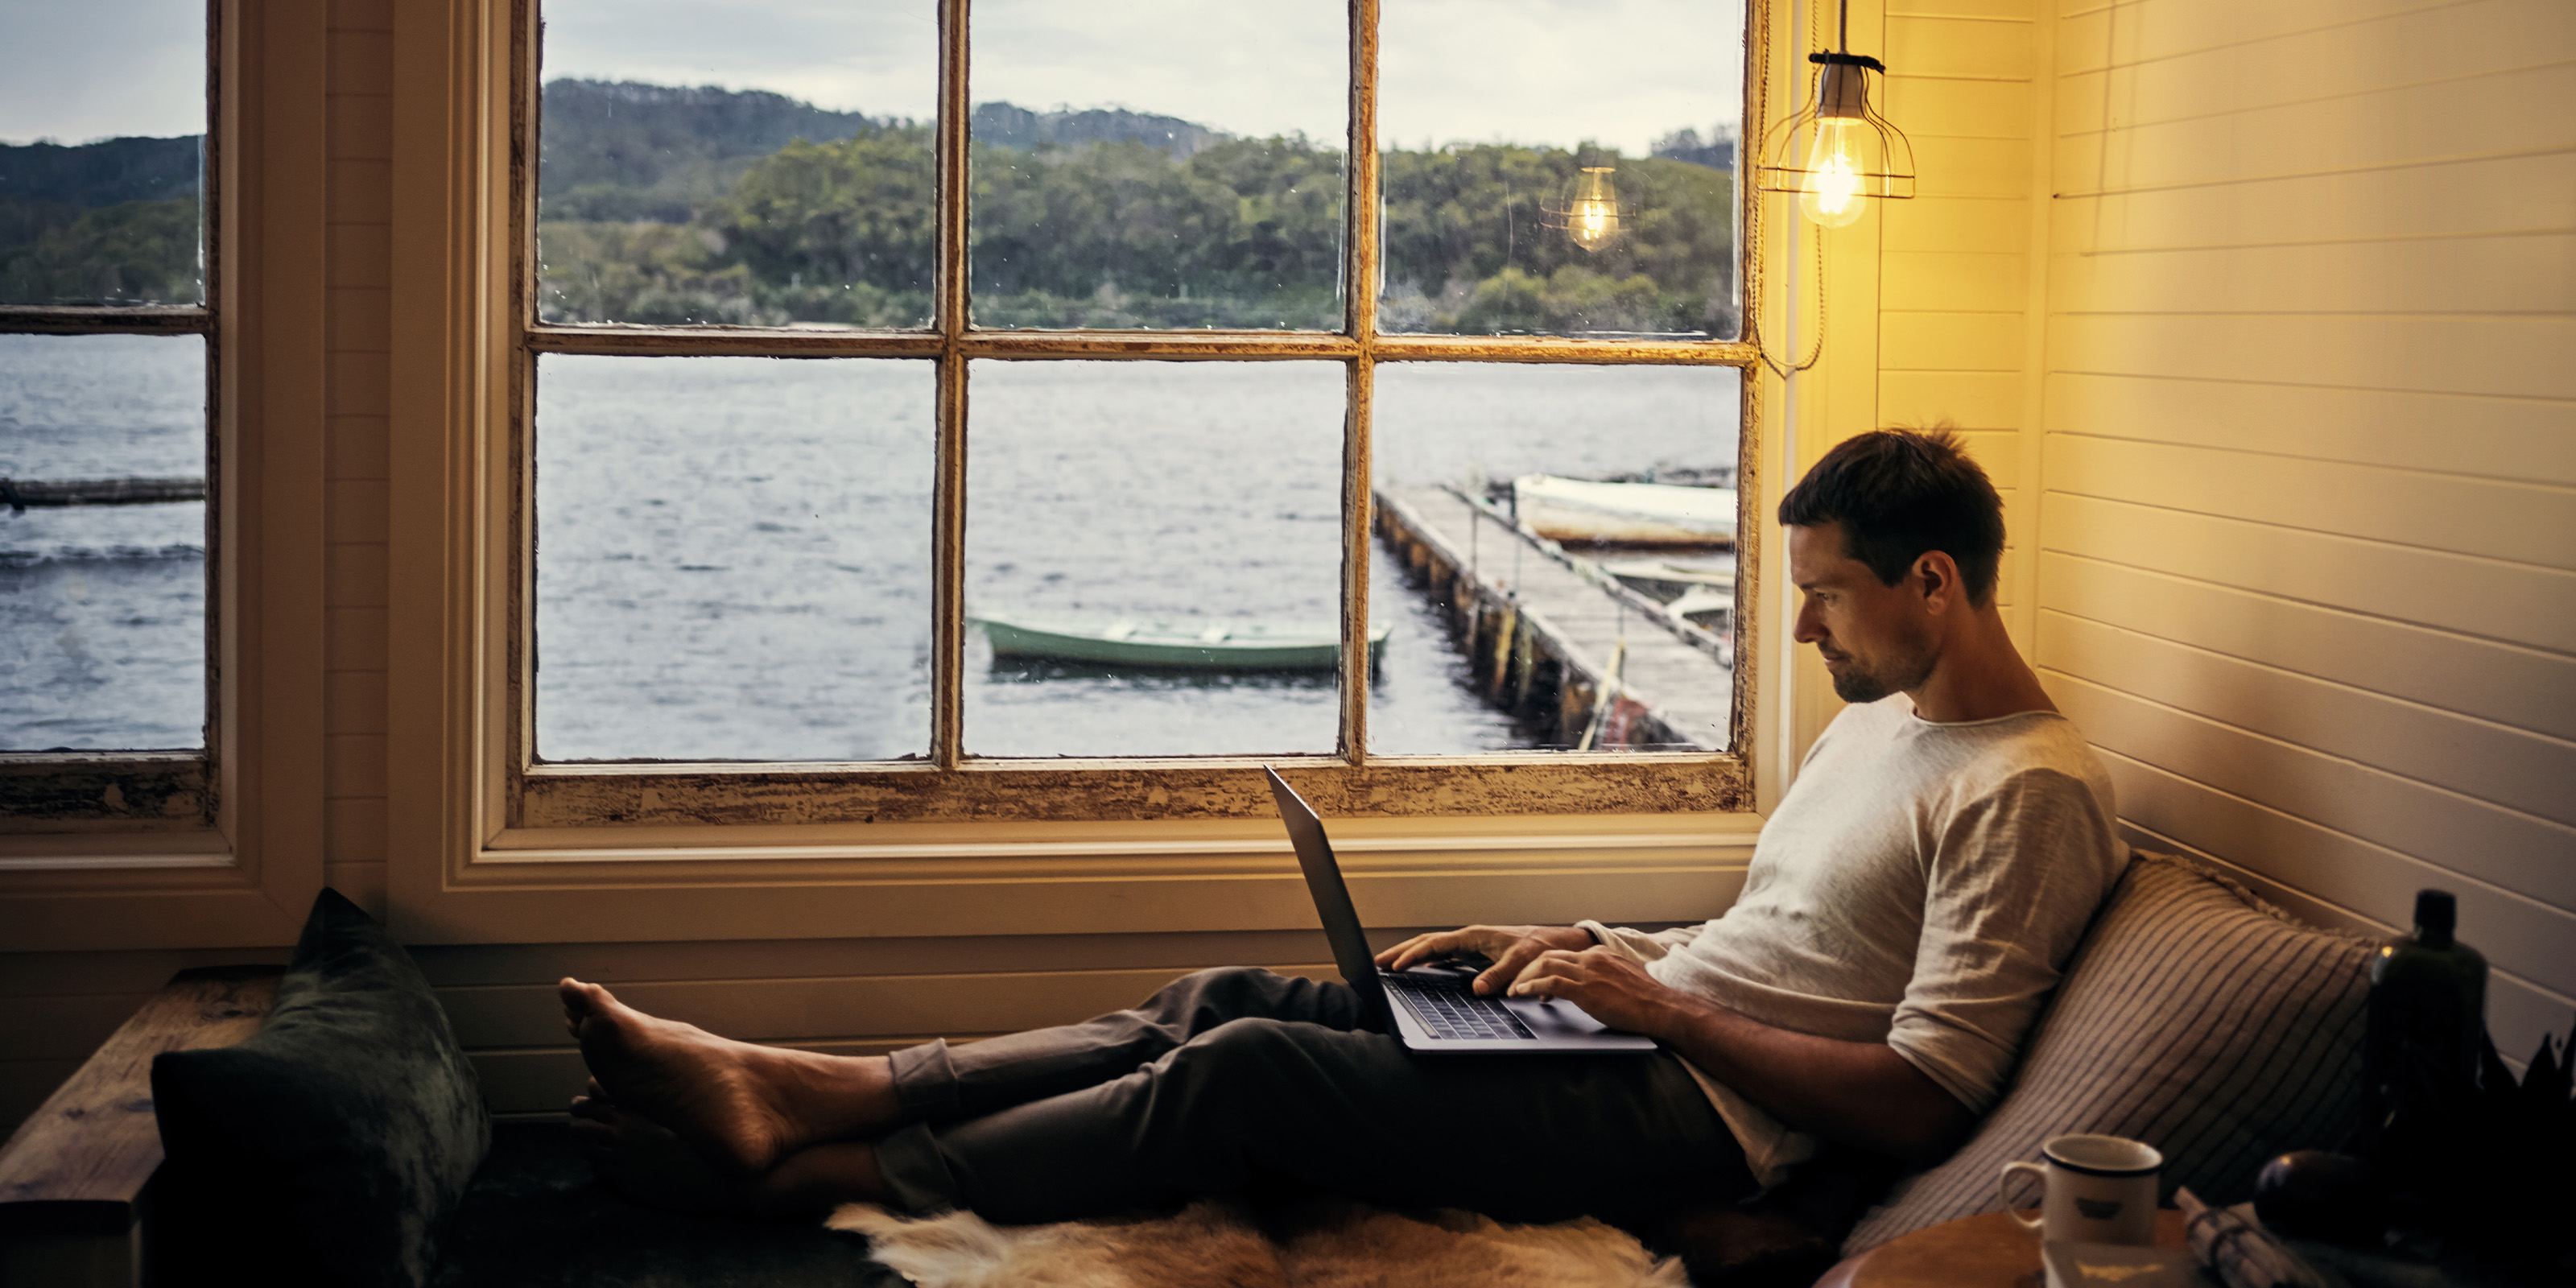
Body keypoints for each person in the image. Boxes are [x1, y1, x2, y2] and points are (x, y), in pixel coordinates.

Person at [559, 426, 2125, 1225]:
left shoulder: (2028, 788)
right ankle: (812, 1080)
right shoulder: (1882, 725)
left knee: (1252, 1073)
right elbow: (1777, 951)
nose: (1801, 633)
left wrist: (1653, 1008)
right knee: (1229, 997)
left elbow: (1920, 1103)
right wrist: (1576, 953)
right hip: (1640, 1035)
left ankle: (821, 1183)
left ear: (1932, 580)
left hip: (1701, 1125)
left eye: (1824, 595)